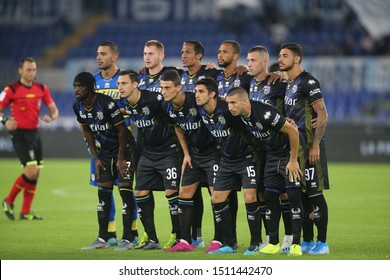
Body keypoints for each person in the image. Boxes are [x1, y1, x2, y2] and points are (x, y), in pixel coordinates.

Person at [225, 87, 304, 256]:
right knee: (270, 199)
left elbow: (293, 131)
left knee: (294, 198)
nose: (230, 107)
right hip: (271, 157)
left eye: (233, 103)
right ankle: (274, 243)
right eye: (228, 103)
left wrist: (292, 160)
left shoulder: (265, 113)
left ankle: (297, 244)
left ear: (245, 102)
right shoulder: (241, 116)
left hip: (287, 155)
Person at [117, 69, 183, 250]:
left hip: (168, 152)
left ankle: (178, 236)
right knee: (139, 192)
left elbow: (176, 119)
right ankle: (152, 239)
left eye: (123, 83)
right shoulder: (124, 103)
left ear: (135, 85)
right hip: (147, 152)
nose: (120, 87)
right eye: (118, 84)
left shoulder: (155, 99)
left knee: (171, 192)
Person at [195, 77, 261, 255]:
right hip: (226, 160)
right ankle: (229, 243)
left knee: (249, 197)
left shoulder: (227, 110)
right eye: (195, 92)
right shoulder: (202, 112)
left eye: (201, 92)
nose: (196, 95)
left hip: (246, 158)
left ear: (213, 94)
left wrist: (254, 151)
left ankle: (256, 242)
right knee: (216, 198)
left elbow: (249, 126)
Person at [73, 72, 136, 250]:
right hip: (105, 153)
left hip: (125, 150)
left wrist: (121, 158)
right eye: (75, 86)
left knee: (125, 191)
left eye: (81, 86)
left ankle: (128, 238)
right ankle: (103, 239)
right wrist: (96, 157)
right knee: (103, 193)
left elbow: (123, 130)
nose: (77, 90)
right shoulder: (77, 106)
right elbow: (86, 130)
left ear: (90, 87)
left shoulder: (106, 103)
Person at [159, 69, 221, 252]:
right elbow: (178, 127)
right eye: (162, 88)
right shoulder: (167, 106)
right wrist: (186, 153)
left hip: (213, 153)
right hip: (194, 155)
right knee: (184, 193)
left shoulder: (195, 100)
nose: (163, 92)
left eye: (167, 88)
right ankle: (185, 241)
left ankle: (220, 240)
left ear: (179, 88)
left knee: (217, 196)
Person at [279, 43, 330, 255]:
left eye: (285, 56)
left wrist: (316, 145)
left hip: (310, 147)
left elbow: (323, 113)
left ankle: (323, 243)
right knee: (301, 196)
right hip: (296, 147)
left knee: (314, 194)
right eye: (280, 55)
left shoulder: (308, 82)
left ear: (297, 59)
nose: (281, 59)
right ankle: (307, 240)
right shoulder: (290, 83)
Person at [246, 45, 293, 253]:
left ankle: (290, 236)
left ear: (265, 62)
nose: (249, 64)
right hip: (258, 148)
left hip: (278, 148)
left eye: (253, 60)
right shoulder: (246, 83)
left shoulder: (277, 83)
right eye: (248, 60)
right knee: (262, 194)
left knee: (284, 195)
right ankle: (269, 237)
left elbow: (295, 99)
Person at [92, 41, 138, 247]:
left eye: (103, 54)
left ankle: (132, 233)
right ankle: (108, 234)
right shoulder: (92, 83)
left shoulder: (125, 80)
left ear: (115, 56)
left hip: (122, 147)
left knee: (126, 189)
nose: (99, 57)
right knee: (104, 191)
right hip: (102, 147)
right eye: (97, 54)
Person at [1, 57, 59, 221]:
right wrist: (6, 121)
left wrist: (51, 117)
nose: (32, 73)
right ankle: (8, 200)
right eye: (28, 70)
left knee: (36, 173)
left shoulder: (42, 88)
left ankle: (25, 212)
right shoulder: (11, 89)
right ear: (20, 71)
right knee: (31, 171)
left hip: (35, 134)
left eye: (34, 70)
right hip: (20, 134)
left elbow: (54, 110)